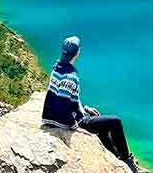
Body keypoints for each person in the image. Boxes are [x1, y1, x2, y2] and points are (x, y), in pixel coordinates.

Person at [41, 36, 141, 172]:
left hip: (49, 117)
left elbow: (66, 98)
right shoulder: (71, 77)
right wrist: (81, 118)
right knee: (115, 122)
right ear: (77, 53)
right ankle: (125, 160)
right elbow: (65, 104)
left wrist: (86, 108)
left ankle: (114, 156)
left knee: (102, 127)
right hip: (65, 122)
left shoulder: (57, 68)